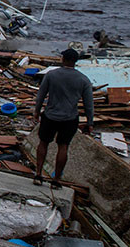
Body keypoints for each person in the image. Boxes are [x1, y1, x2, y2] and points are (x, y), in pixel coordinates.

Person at [32, 48, 93, 188]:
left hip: (50, 115)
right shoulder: (84, 79)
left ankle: (38, 174)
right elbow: (89, 104)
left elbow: (41, 95)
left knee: (43, 143)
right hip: (70, 118)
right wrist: (90, 122)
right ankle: (56, 180)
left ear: (62, 59)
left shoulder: (51, 75)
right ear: (76, 62)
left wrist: (37, 111)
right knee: (63, 147)